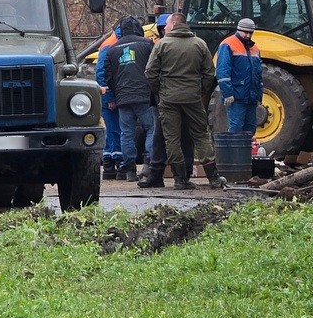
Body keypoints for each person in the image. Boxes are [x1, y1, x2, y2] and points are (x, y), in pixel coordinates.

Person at [144, 12, 226, 189]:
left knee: (171, 138)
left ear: (173, 24)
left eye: (166, 24)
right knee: (201, 135)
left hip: (168, 99)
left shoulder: (162, 45)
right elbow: (209, 73)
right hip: (192, 98)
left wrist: (160, 90)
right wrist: (200, 91)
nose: (164, 28)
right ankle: (213, 178)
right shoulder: (200, 44)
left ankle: (180, 180)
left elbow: (150, 72)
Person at [103, 16, 155, 183]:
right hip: (144, 96)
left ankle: (130, 169)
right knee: (151, 129)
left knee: (126, 133)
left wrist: (116, 93)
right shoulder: (147, 44)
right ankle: (148, 163)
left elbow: (107, 76)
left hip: (123, 98)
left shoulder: (112, 50)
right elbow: (155, 68)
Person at [217, 18, 263, 133]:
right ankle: (233, 151)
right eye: (245, 32)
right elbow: (222, 71)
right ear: (239, 29)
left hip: (251, 97)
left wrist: (258, 95)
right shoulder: (228, 44)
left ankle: (245, 151)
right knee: (236, 127)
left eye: (250, 33)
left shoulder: (255, 49)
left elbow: (258, 74)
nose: (248, 35)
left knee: (250, 129)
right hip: (236, 97)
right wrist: (228, 93)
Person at [95, 23, 124, 179]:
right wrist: (110, 97)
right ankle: (113, 163)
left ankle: (110, 164)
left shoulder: (110, 43)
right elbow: (102, 73)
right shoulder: (112, 45)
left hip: (111, 93)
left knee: (114, 129)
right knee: (114, 129)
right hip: (110, 95)